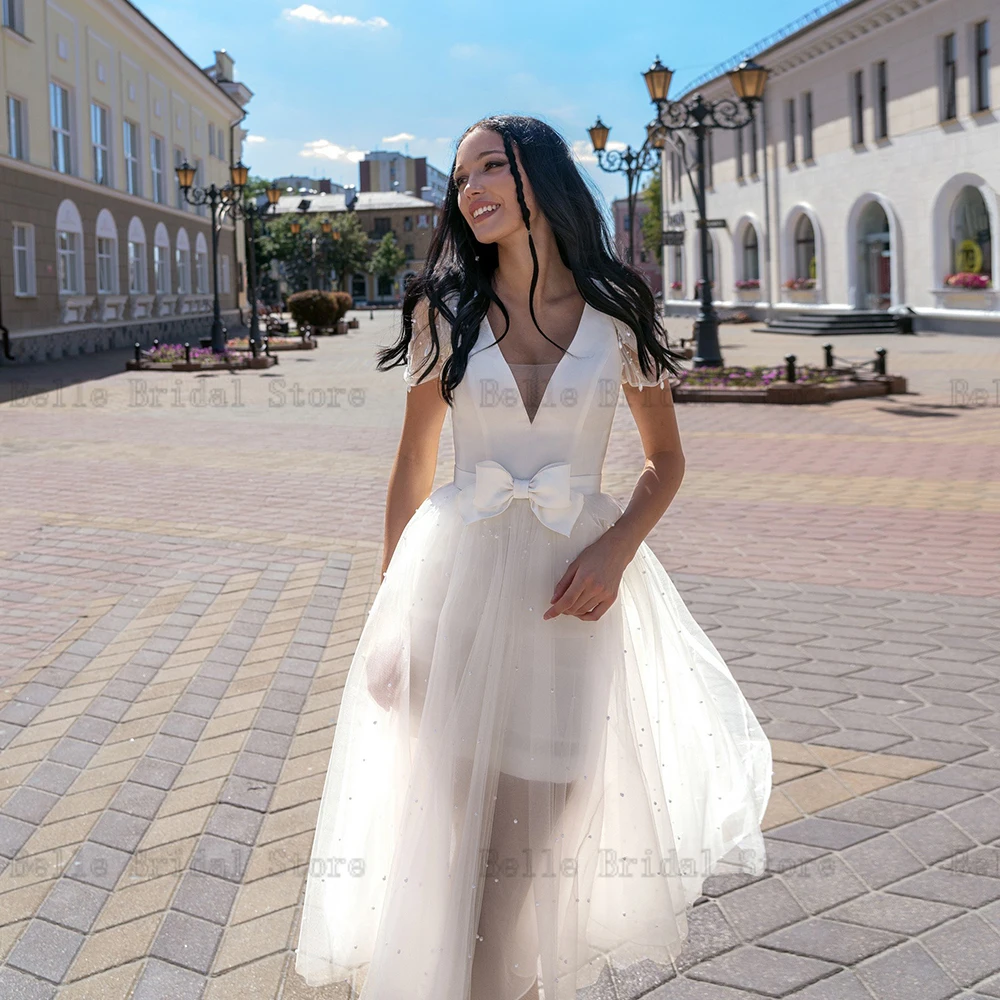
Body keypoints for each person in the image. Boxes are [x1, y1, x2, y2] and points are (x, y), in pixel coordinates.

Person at [293, 114, 772, 1000]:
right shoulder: (446, 310)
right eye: (459, 176)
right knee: (460, 857)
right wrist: (387, 624)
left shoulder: (622, 311)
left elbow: (667, 464)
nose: (468, 188)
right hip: (452, 591)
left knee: (526, 859)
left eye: (489, 167)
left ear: (539, 179)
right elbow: (412, 468)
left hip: (568, 601)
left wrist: (616, 553)